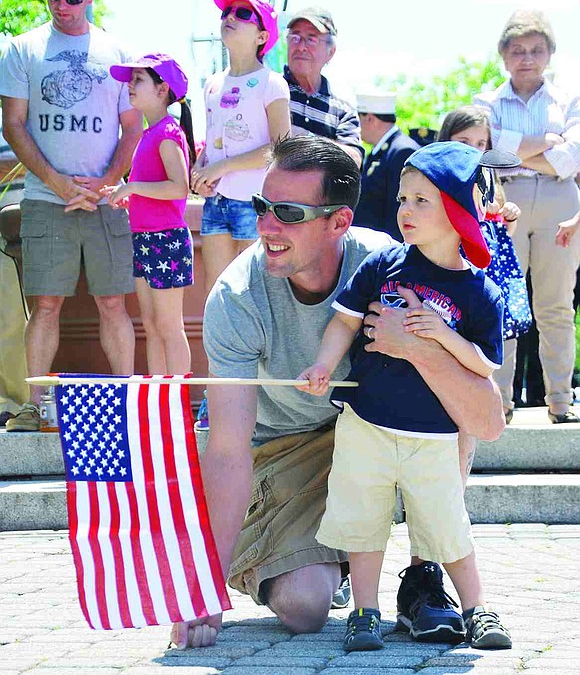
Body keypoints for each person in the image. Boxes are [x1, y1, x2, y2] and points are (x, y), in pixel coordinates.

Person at [169, 135, 507, 650]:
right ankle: (332, 560)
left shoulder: (395, 265)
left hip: (374, 427)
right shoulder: (237, 298)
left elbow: (485, 422)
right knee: (305, 607)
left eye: (288, 212)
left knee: (449, 414)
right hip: (282, 448)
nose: (266, 226)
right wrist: (203, 589)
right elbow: (228, 448)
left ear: (339, 222)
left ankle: (424, 577)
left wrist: (420, 347)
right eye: (263, 207)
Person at [297, 141, 511, 652]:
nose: (404, 211)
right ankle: (365, 613)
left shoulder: (481, 292)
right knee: (363, 522)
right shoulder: (384, 265)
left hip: (434, 437)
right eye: (402, 198)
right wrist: (324, 364)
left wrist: (439, 333)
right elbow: (344, 322)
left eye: (421, 200)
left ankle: (478, 607)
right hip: (366, 424)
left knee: (446, 526)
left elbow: (486, 364)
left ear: (457, 213)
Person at [0, 0, 141, 432]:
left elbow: (132, 126)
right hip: (43, 198)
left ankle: (124, 402)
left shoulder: (118, 53)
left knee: (112, 303)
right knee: (46, 303)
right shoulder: (22, 49)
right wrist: (58, 183)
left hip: (104, 201)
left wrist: (104, 184)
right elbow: (14, 125)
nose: (62, 5)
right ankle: (35, 406)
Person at [474, 10, 580, 424]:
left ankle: (560, 400)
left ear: (550, 54)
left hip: (560, 203)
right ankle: (498, 401)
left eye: (537, 50)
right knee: (502, 299)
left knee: (555, 305)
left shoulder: (569, 97)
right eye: (517, 50)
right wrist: (546, 146)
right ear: (503, 55)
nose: (527, 58)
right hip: (503, 200)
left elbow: (571, 157)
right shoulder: (487, 101)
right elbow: (490, 149)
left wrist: (520, 149)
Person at [438, 106, 526, 481]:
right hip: (453, 284)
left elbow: (501, 227)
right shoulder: (440, 177)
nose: (474, 149)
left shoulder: (490, 180)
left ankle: (461, 475)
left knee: (481, 363)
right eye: (464, 141)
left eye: (481, 143)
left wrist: (510, 213)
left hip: (487, 281)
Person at [190, 0, 290, 298]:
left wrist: (223, 166)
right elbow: (212, 142)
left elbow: (280, 148)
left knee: (256, 293)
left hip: (257, 202)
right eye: (226, 13)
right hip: (216, 201)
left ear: (262, 36)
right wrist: (200, 169)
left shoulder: (272, 83)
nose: (230, 17)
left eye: (243, 14)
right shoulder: (212, 83)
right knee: (217, 295)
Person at [102, 54, 195, 375]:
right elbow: (155, 192)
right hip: (144, 239)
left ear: (162, 89)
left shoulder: (168, 132)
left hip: (166, 240)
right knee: (152, 327)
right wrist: (128, 197)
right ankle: (157, 401)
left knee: (170, 327)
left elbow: (179, 188)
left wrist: (132, 188)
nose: (130, 85)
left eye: (138, 79)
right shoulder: (148, 133)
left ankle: (177, 403)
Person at [283, 7, 364, 167]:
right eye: (295, 38)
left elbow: (354, 160)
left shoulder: (342, 109)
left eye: (311, 39)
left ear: (331, 52)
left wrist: (303, 139)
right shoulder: (270, 91)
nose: (300, 47)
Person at [353, 91, 420, 239]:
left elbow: (399, 210)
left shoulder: (402, 151)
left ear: (369, 118)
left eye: (357, 119)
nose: (355, 126)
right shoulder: (380, 152)